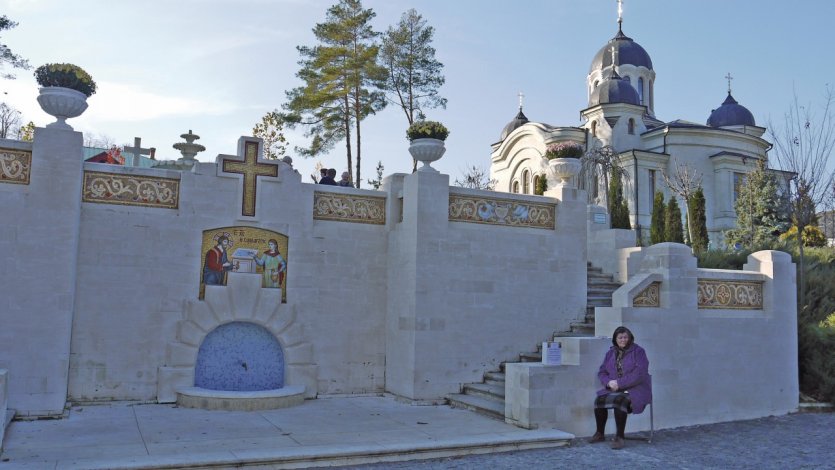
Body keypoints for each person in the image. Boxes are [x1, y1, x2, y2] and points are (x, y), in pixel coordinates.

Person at [589, 326, 651, 449]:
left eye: (625, 337)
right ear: (615, 339)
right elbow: (602, 372)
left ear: (630, 338)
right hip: (616, 388)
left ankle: (620, 437)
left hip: (636, 388)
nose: (623, 340)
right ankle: (600, 433)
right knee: (599, 400)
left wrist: (619, 383)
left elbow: (640, 373)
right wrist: (608, 383)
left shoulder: (638, 351)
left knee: (620, 401)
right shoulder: (611, 353)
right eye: (620, 337)